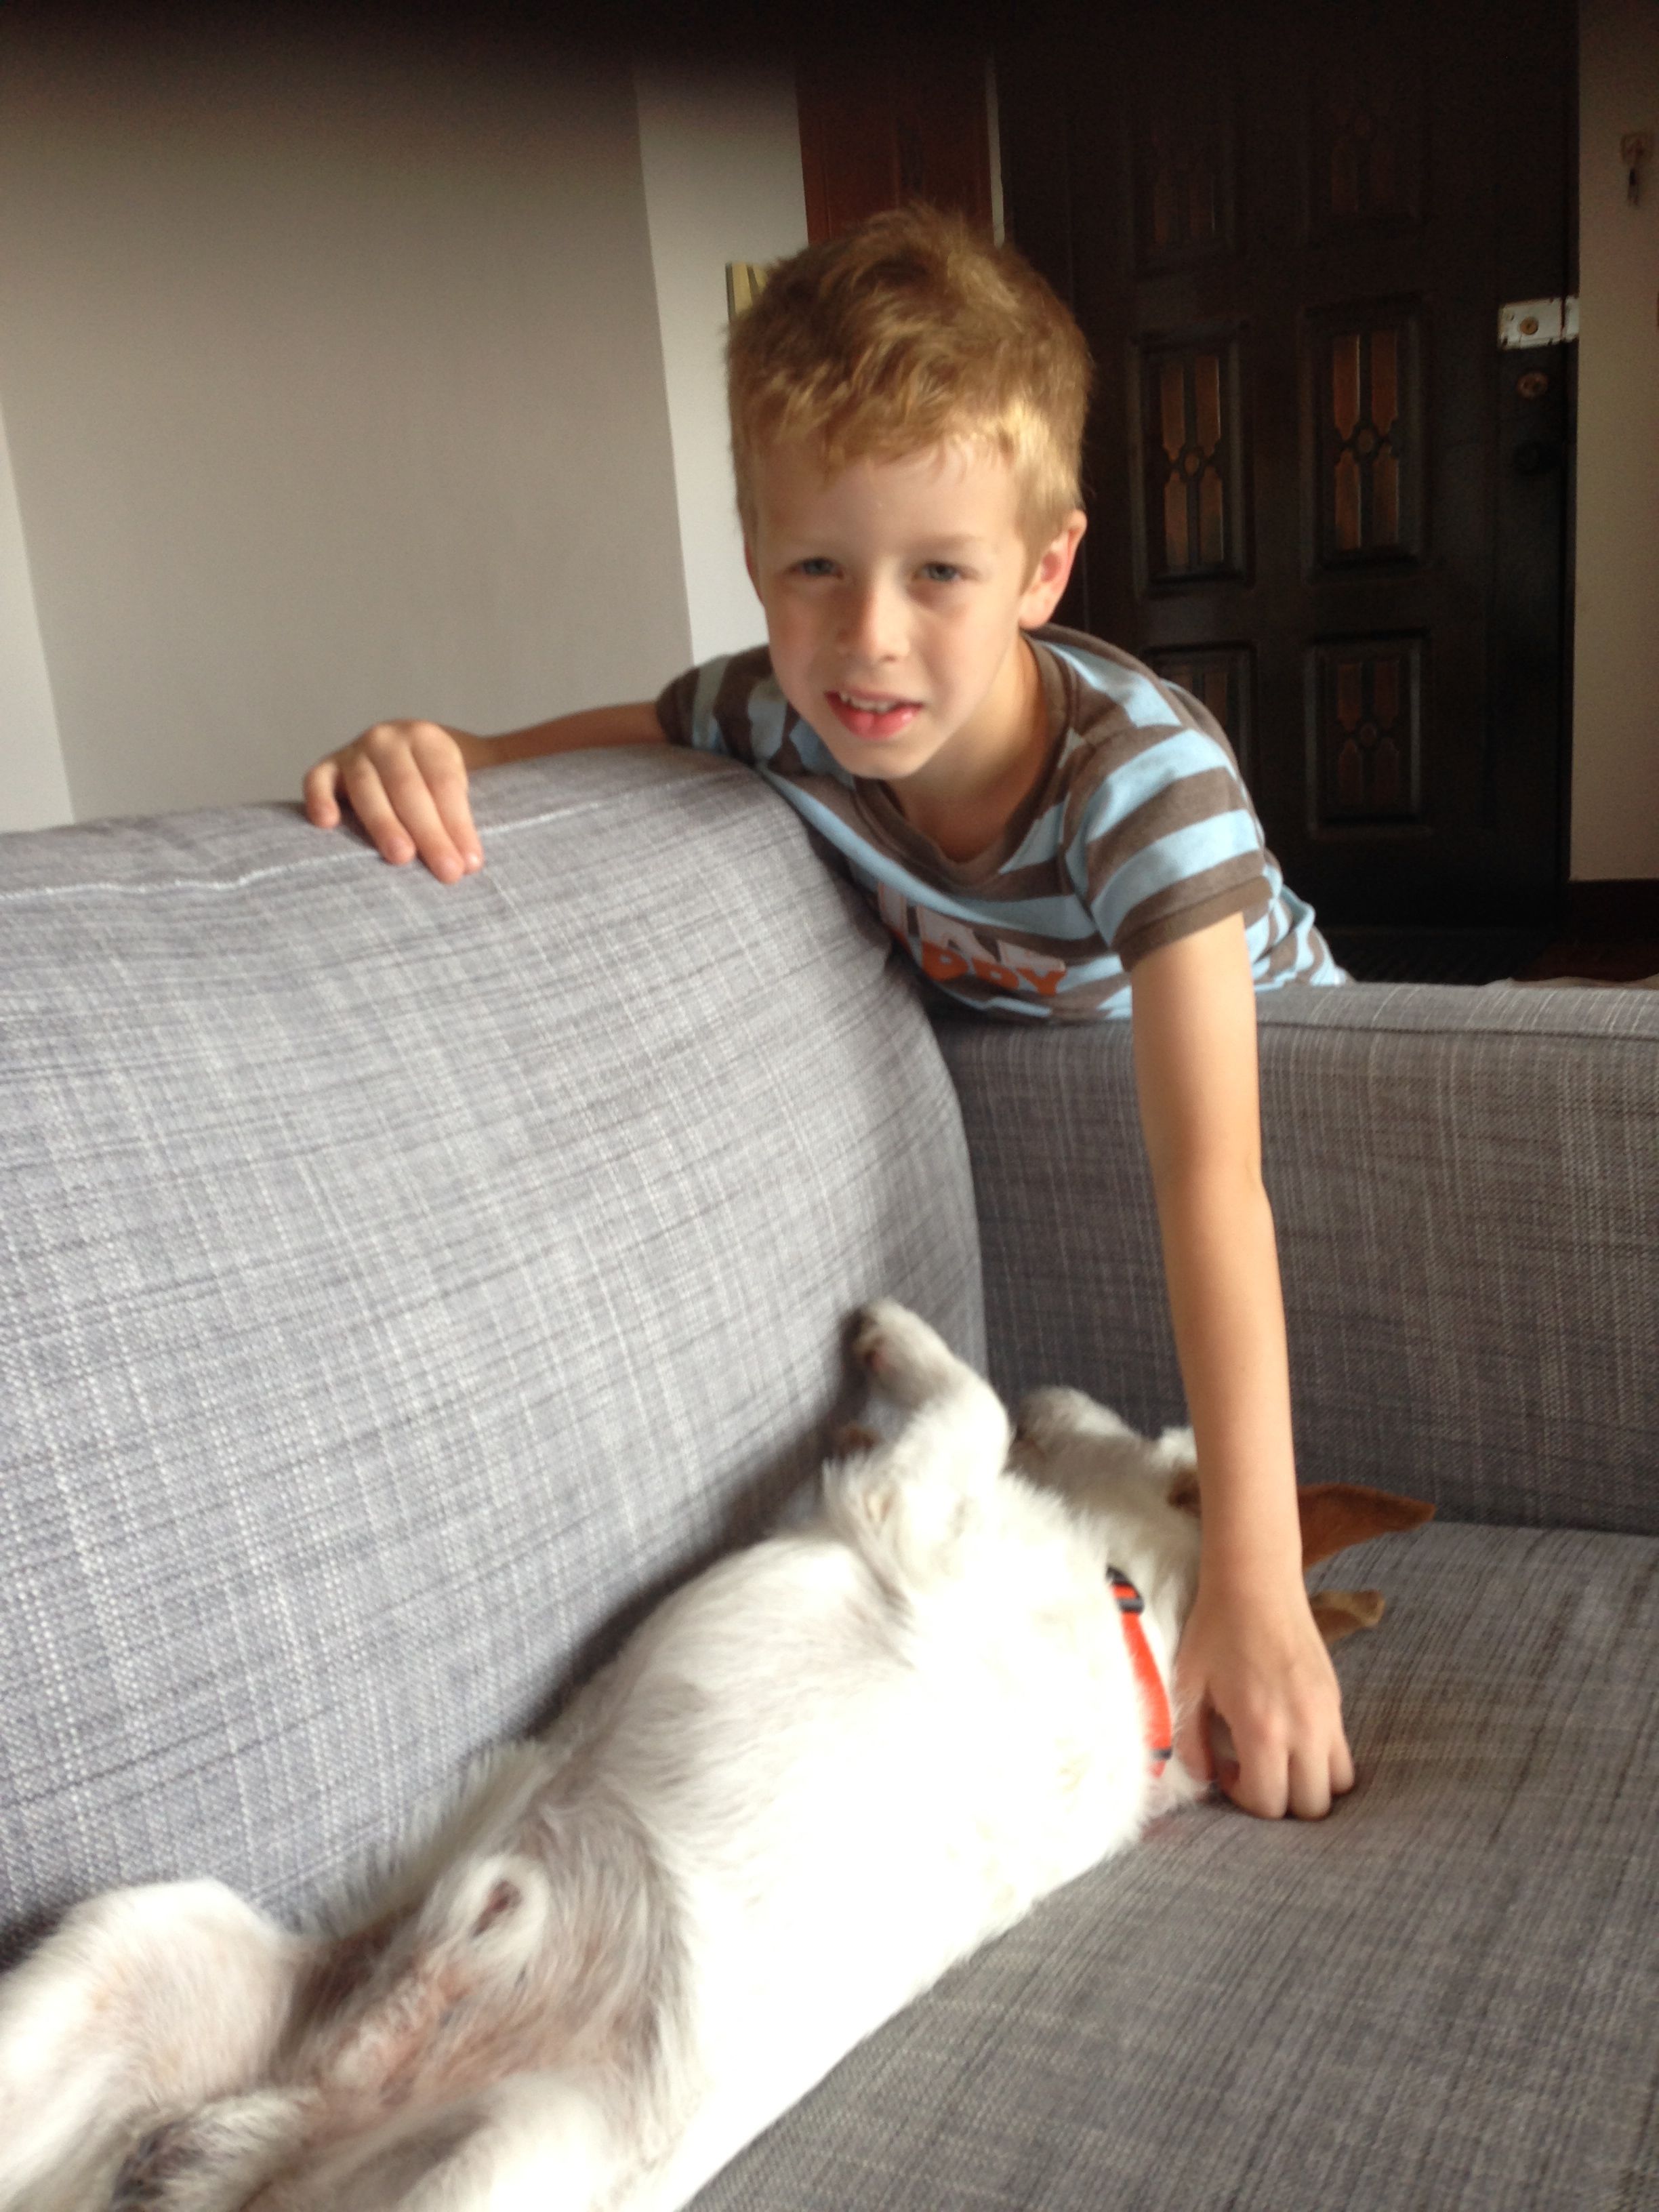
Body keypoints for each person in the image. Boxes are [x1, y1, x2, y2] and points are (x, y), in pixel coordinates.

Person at [304, 205, 1353, 1821]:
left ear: (1045, 568)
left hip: (1315, 1081)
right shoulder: (775, 714)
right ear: (757, 560)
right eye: (816, 567)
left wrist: (1258, 1591)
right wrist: (430, 747)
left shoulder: (1144, 785)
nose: (869, 638)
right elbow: (545, 750)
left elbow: (1216, 1182)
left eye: (941, 572)